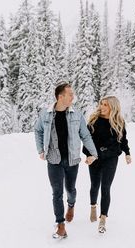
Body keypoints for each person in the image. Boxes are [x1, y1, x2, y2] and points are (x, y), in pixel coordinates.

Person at [34, 82, 98, 239]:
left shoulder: (76, 114)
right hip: (53, 160)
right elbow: (38, 130)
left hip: (72, 160)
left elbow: (85, 135)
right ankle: (60, 225)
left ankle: (71, 204)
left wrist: (93, 153)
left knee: (70, 189)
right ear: (60, 96)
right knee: (56, 193)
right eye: (70, 94)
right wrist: (41, 150)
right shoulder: (46, 114)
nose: (73, 97)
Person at [83, 96, 132, 233]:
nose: (102, 107)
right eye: (101, 104)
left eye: (105, 105)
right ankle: (93, 206)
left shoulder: (119, 122)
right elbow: (87, 141)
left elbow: (123, 140)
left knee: (106, 187)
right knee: (94, 185)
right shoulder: (94, 121)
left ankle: (103, 219)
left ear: (113, 107)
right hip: (95, 158)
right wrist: (88, 155)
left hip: (111, 158)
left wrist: (127, 153)